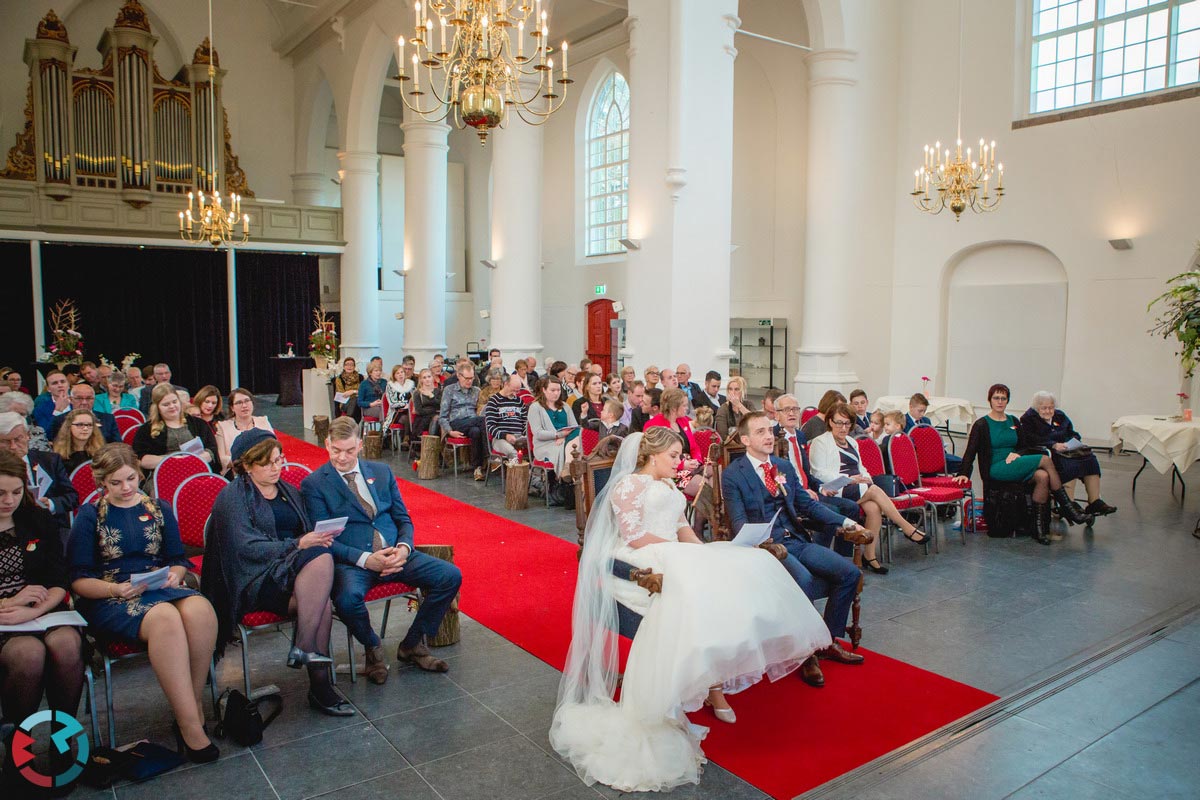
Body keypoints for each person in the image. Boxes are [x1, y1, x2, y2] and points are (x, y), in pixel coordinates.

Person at [550, 429, 832, 792]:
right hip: (640, 564)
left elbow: (684, 529)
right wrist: (681, 555)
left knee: (736, 570)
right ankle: (710, 687)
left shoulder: (669, 488)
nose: (678, 462)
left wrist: (706, 553)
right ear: (652, 456)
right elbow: (634, 536)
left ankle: (713, 676)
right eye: (673, 455)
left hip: (672, 554)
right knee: (697, 591)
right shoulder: (629, 487)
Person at [68, 444, 220, 762]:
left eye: (131, 479)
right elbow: (79, 580)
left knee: (200, 610)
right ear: (102, 483)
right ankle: (191, 726)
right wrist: (115, 590)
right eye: (116, 483)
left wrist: (174, 576)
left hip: (156, 586)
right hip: (110, 595)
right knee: (165, 618)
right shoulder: (89, 516)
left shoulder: (158, 507)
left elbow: (178, 560)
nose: (126, 488)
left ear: (139, 474)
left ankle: (190, 708)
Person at [301, 418, 463, 684]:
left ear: (361, 445)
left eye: (349, 451)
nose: (342, 457)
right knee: (346, 600)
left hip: (394, 553)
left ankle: (412, 644)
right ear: (327, 444)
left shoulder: (382, 471)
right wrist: (367, 560)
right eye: (336, 450)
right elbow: (323, 540)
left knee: (449, 576)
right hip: (353, 562)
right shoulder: (315, 484)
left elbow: (403, 518)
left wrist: (403, 547)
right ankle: (373, 649)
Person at [203, 430, 353, 716]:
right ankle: (319, 683)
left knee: (319, 592)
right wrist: (298, 543)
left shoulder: (287, 491)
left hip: (292, 572)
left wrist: (317, 537)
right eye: (268, 463)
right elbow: (246, 549)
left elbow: (305, 529)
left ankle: (307, 653)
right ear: (247, 465)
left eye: (279, 460)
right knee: (320, 582)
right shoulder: (232, 497)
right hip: (255, 578)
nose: (277, 468)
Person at [722, 412, 873, 687]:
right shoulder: (734, 474)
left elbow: (807, 505)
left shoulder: (782, 467)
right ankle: (805, 655)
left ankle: (826, 640)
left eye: (769, 430)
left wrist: (847, 521)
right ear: (745, 439)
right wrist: (760, 542)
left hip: (796, 539)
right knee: (802, 580)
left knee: (849, 573)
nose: (769, 436)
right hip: (764, 548)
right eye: (760, 432)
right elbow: (738, 522)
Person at [0, 451, 85, 741]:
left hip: (42, 609)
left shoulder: (35, 519)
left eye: (16, 492)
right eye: (0, 493)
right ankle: (18, 744)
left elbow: (59, 579)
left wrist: (33, 611)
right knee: (28, 654)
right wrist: (10, 602)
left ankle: (63, 739)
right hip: (4, 617)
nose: (9, 500)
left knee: (67, 645)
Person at [954, 383, 1094, 544]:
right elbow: (970, 452)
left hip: (1015, 461)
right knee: (1045, 460)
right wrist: (963, 473)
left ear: (1007, 401)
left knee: (1042, 476)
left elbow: (1024, 446)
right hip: (997, 466)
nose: (1000, 401)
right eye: (996, 398)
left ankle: (1039, 531)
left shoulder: (1013, 421)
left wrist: (1017, 454)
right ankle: (1069, 509)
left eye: (1003, 398)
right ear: (990, 400)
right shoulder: (981, 425)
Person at [809, 403, 930, 571]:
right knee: (873, 490)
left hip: (857, 486)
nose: (843, 427)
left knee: (873, 508)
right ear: (830, 422)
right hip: (835, 487)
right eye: (838, 423)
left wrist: (865, 477)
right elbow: (818, 473)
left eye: (847, 423)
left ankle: (870, 556)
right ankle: (907, 527)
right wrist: (849, 479)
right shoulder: (820, 442)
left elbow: (861, 467)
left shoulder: (852, 441)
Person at [772, 394, 865, 558]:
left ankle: (843, 557)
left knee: (851, 507)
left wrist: (821, 487)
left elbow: (806, 473)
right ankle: (817, 555)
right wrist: (800, 490)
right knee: (830, 510)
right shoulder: (773, 438)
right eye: (786, 410)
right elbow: (776, 474)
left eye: (795, 409)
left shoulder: (800, 436)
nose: (792, 413)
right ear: (776, 414)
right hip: (791, 495)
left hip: (810, 490)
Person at [1019, 392, 1117, 517]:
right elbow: (1031, 439)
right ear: (1036, 407)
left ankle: (1094, 501)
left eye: (1051, 407)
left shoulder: (1060, 416)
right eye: (1044, 408)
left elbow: (1072, 432)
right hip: (1049, 452)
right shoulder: (1028, 419)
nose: (1048, 411)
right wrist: (1053, 445)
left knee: (1090, 459)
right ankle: (1069, 503)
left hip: (1067, 449)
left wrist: (1071, 442)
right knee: (1069, 464)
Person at [0, 412, 76, 536]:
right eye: (5, 441)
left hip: (51, 527)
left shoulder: (50, 461)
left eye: (18, 439)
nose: (13, 446)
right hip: (10, 529)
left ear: (28, 436)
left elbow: (72, 497)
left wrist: (50, 504)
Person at [132, 383, 219, 472]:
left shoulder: (199, 423)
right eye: (166, 404)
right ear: (157, 407)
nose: (172, 406)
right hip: (164, 474)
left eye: (174, 402)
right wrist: (174, 460)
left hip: (196, 470)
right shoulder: (146, 429)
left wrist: (193, 459)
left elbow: (211, 450)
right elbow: (141, 459)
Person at [440, 361, 488, 481]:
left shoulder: (476, 390)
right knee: (482, 421)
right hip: (457, 423)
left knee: (476, 431)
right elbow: (442, 416)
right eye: (466, 378)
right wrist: (450, 432)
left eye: (472, 378)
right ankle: (489, 454)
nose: (469, 381)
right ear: (459, 376)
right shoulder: (449, 390)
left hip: (473, 421)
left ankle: (477, 468)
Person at [528, 377, 580, 480]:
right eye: (552, 390)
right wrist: (558, 435)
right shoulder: (535, 407)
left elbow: (574, 427)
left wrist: (564, 438)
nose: (556, 393)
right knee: (577, 449)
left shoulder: (565, 406)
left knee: (580, 432)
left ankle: (569, 469)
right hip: (546, 444)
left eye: (559, 390)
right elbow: (538, 433)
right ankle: (573, 479)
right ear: (544, 390)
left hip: (567, 439)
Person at [214, 388, 274, 474]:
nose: (244, 406)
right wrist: (249, 462)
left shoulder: (263, 421)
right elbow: (223, 459)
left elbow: (274, 448)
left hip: (265, 470)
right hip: (236, 472)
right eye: (239, 403)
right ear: (232, 408)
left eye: (247, 401)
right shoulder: (223, 426)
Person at [47, 382, 122, 444]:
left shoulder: (108, 419)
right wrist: (57, 411)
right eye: (79, 398)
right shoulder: (60, 420)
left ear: (94, 400)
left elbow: (117, 445)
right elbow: (49, 439)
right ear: (71, 400)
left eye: (89, 398)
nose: (84, 402)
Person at [483, 374, 529, 459]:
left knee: (536, 446)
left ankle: (534, 471)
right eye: (513, 390)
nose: (515, 394)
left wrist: (526, 435)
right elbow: (491, 427)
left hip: (518, 437)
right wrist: (505, 436)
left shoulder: (519, 401)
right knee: (513, 453)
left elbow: (524, 423)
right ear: (505, 384)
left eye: (517, 391)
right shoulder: (494, 401)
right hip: (500, 438)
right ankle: (519, 471)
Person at [51, 408, 104, 472]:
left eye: (89, 425)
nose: (85, 428)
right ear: (69, 426)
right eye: (80, 424)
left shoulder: (100, 455)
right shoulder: (57, 457)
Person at [410, 368, 442, 440]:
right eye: (424, 377)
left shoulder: (438, 391)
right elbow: (419, 411)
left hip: (438, 418)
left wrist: (432, 396)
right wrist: (434, 411)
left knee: (439, 419)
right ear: (421, 380)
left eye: (429, 377)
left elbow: (441, 405)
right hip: (423, 419)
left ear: (432, 377)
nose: (427, 379)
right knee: (436, 418)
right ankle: (431, 443)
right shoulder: (417, 393)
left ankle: (435, 445)